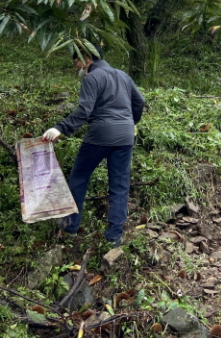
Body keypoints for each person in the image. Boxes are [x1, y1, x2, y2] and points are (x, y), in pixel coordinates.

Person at [41, 45, 145, 246]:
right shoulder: (123, 76)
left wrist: (60, 128)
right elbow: (139, 101)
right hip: (125, 136)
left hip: (100, 135)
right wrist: (130, 122)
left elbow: (84, 110)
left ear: (86, 58)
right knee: (120, 183)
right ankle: (114, 235)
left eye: (77, 62)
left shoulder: (92, 78)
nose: (76, 67)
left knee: (79, 177)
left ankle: (70, 226)